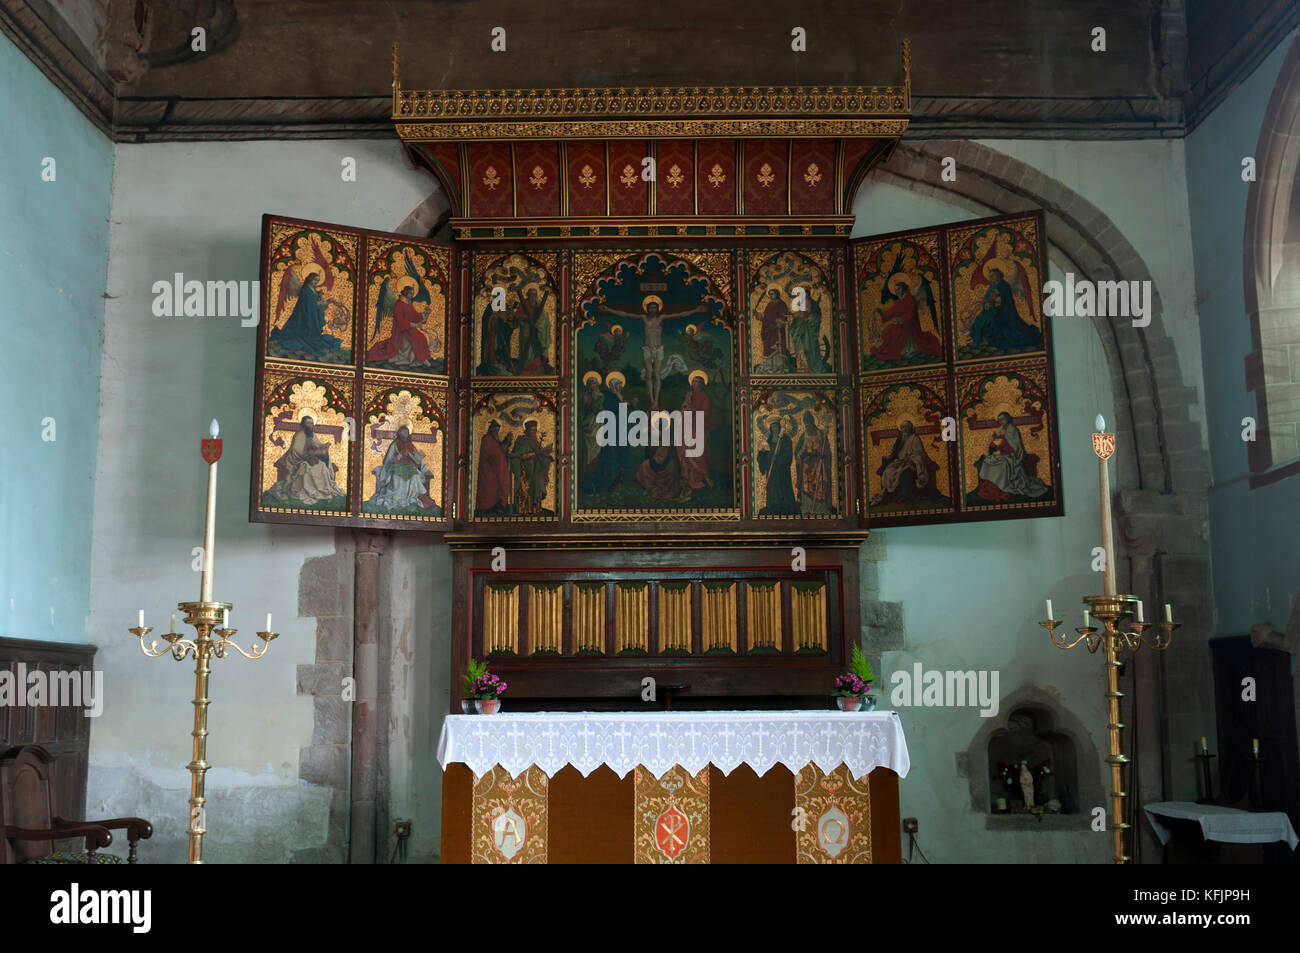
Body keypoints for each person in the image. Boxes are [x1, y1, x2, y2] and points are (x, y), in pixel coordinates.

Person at [593, 294, 708, 410]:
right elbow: (626, 314)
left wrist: (696, 310)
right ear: (647, 309)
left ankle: (656, 401)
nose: (652, 309)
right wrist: (609, 309)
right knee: (649, 375)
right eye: (650, 307)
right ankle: (652, 399)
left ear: (658, 308)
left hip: (658, 349)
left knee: (656, 375)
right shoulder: (644, 318)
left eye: (654, 307)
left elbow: (679, 314)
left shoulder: (661, 317)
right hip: (647, 348)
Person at [268, 416, 344, 506]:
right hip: (296, 460)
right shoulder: (299, 435)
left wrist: (323, 448)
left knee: (322, 467)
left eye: (311, 423)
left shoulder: (312, 435)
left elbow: (317, 445)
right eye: (308, 423)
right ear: (303, 425)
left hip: (310, 459)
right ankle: (311, 492)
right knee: (306, 469)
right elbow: (296, 451)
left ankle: (324, 491)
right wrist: (308, 456)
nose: (310, 425)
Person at [270, 270, 344, 360]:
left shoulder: (313, 290)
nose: (316, 282)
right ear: (310, 279)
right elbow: (308, 306)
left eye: (317, 281)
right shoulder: (305, 290)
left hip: (312, 314)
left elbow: (316, 304)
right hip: (304, 315)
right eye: (315, 280)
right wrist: (318, 307)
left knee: (316, 337)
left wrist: (326, 301)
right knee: (305, 338)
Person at [975, 411, 1048, 501]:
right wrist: (994, 439)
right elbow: (996, 440)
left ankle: (1003, 488)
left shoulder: (1013, 429)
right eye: (999, 420)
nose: (1001, 421)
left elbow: (1015, 446)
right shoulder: (1001, 428)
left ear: (1008, 418)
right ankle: (991, 487)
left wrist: (1002, 448)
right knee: (987, 461)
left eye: (1002, 419)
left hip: (1012, 455)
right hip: (1002, 453)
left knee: (1003, 464)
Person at [365, 425, 439, 513]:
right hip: (397, 467)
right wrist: (397, 458)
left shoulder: (410, 445)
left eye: (406, 433)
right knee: (396, 478)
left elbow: (418, 460)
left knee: (415, 477)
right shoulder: (394, 445)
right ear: (399, 434)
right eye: (403, 433)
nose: (405, 435)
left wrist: (417, 460)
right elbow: (388, 460)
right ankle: (397, 498)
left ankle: (412, 498)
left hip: (409, 467)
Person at [970, 267, 1042, 350]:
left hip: (1004, 311)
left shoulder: (1004, 285)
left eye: (993, 275)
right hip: (992, 309)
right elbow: (987, 297)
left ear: (998, 275)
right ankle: (981, 340)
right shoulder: (992, 286)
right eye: (990, 276)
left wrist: (992, 302)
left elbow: (1003, 300)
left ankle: (989, 340)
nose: (991, 278)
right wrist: (986, 304)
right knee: (979, 319)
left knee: (992, 320)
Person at [871, 276, 942, 362]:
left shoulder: (910, 299)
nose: (897, 291)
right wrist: (881, 313)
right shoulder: (898, 302)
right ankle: (886, 349)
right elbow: (890, 312)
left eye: (899, 289)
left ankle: (900, 350)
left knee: (893, 331)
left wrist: (899, 319)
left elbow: (911, 314)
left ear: (903, 289)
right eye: (896, 290)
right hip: (900, 324)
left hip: (910, 326)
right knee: (888, 330)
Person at [366, 281, 435, 368]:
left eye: (413, 293)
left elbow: (414, 315)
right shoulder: (398, 305)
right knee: (418, 337)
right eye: (410, 293)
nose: (412, 295)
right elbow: (400, 321)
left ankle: (422, 359)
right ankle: (421, 360)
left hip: (409, 328)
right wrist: (413, 325)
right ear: (406, 293)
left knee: (421, 337)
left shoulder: (409, 304)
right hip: (400, 330)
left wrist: (425, 314)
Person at [871, 420, 938, 506]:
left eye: (906, 427)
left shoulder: (915, 438)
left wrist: (912, 459)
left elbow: (919, 453)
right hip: (900, 461)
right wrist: (890, 457)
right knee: (889, 471)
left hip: (913, 461)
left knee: (906, 472)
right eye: (903, 428)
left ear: (910, 428)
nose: (905, 429)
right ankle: (889, 496)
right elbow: (895, 452)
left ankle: (904, 497)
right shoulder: (900, 439)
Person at [676, 370, 714, 493]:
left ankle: (702, 477)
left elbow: (704, 413)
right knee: (686, 452)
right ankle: (688, 478)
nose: (695, 383)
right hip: (687, 428)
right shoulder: (689, 395)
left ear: (702, 384)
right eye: (693, 381)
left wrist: (690, 418)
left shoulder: (705, 398)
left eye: (698, 382)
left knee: (698, 455)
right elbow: (683, 409)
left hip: (699, 429)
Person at [509, 419, 554, 514]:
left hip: (536, 469)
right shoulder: (522, 440)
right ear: (527, 430)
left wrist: (546, 454)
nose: (534, 432)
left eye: (535, 430)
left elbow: (539, 453)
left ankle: (535, 509)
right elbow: (520, 456)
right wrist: (537, 453)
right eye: (532, 430)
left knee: (538, 481)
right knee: (526, 489)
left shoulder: (535, 441)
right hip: (524, 471)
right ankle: (524, 510)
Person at [757, 418, 798, 516]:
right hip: (772, 470)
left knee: (782, 487)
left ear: (779, 427)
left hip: (782, 470)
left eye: (775, 426)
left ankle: (784, 506)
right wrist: (762, 453)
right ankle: (773, 506)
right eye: (772, 427)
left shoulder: (785, 439)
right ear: (770, 429)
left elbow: (788, 454)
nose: (774, 429)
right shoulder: (769, 440)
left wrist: (778, 458)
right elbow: (763, 455)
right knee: (772, 488)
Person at [795, 410, 833, 515]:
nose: (808, 427)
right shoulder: (804, 436)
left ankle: (819, 510)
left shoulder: (821, 435)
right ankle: (807, 509)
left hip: (818, 466)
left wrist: (823, 455)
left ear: (813, 424)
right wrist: (801, 456)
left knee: (819, 488)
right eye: (806, 425)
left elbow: (826, 450)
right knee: (806, 488)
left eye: (809, 425)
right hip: (807, 467)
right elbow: (799, 451)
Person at [474, 420, 512, 516]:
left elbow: (500, 451)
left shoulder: (494, 440)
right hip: (488, 472)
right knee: (489, 491)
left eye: (497, 430)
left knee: (496, 489)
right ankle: (485, 509)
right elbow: (497, 453)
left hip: (495, 471)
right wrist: (506, 442)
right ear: (490, 430)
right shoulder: (487, 439)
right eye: (494, 430)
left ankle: (497, 507)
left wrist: (507, 441)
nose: (496, 432)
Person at [788, 287, 831, 372]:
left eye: (805, 293)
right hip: (799, 329)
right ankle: (802, 367)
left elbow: (817, 315)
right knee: (800, 348)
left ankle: (811, 366)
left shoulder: (813, 304)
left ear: (808, 294)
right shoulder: (799, 304)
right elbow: (796, 316)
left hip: (809, 331)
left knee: (808, 348)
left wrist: (810, 318)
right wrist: (796, 316)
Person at [755, 288, 795, 373]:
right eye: (770, 294)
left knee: (777, 348)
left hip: (777, 331)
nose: (771, 296)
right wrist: (757, 314)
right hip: (768, 330)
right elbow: (765, 317)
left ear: (777, 294)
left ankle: (779, 367)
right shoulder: (769, 305)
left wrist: (777, 324)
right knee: (769, 348)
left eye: (772, 294)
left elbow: (783, 316)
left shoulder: (781, 304)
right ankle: (770, 367)